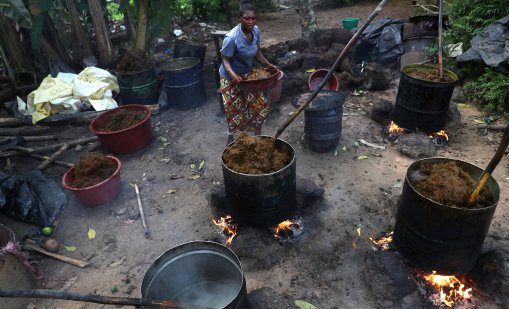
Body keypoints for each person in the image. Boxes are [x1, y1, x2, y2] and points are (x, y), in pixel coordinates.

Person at [219, 0, 278, 144]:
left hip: (249, 76)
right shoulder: (232, 38)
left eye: (253, 18)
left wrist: (268, 64)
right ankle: (231, 136)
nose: (250, 21)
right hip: (230, 77)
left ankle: (257, 135)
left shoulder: (256, 31)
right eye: (247, 18)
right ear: (240, 18)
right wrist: (234, 76)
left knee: (258, 105)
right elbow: (225, 61)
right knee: (233, 109)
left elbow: (257, 52)